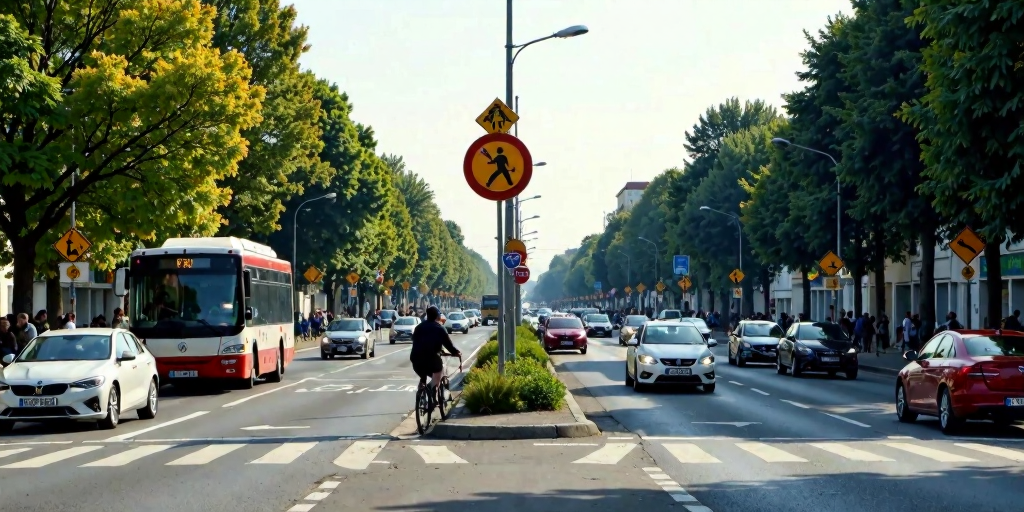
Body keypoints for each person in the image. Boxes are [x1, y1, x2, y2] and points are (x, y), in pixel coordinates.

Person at [409, 306, 461, 397]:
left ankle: (421, 389)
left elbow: (414, 340)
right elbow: (448, 345)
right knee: (438, 371)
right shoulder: (440, 328)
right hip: (431, 358)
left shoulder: (418, 327)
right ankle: (433, 390)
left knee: (423, 374)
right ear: (437, 316)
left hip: (415, 359)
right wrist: (456, 352)